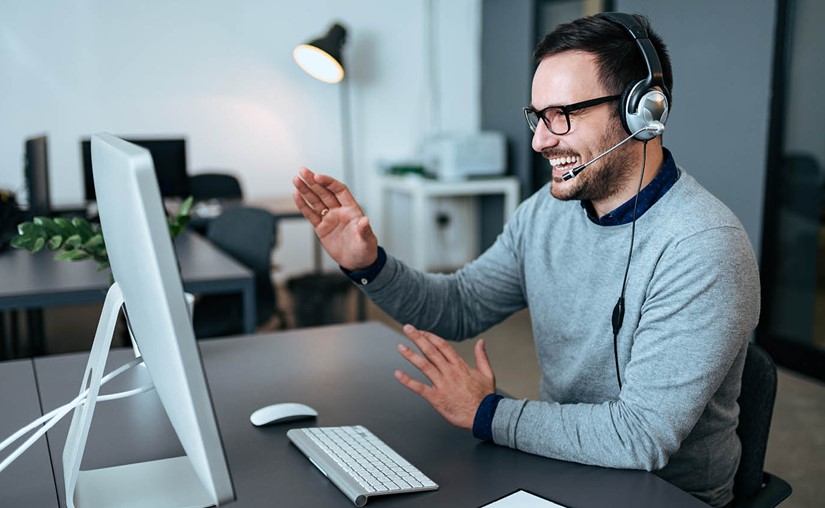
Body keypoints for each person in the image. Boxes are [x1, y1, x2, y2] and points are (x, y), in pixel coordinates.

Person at [291, 13, 758, 508]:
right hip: (561, 463)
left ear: (642, 111)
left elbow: (639, 437)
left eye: (563, 114)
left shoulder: (703, 246)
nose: (539, 141)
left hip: (663, 494)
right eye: (537, 116)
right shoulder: (545, 214)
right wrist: (369, 264)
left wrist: (487, 413)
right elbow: (461, 306)